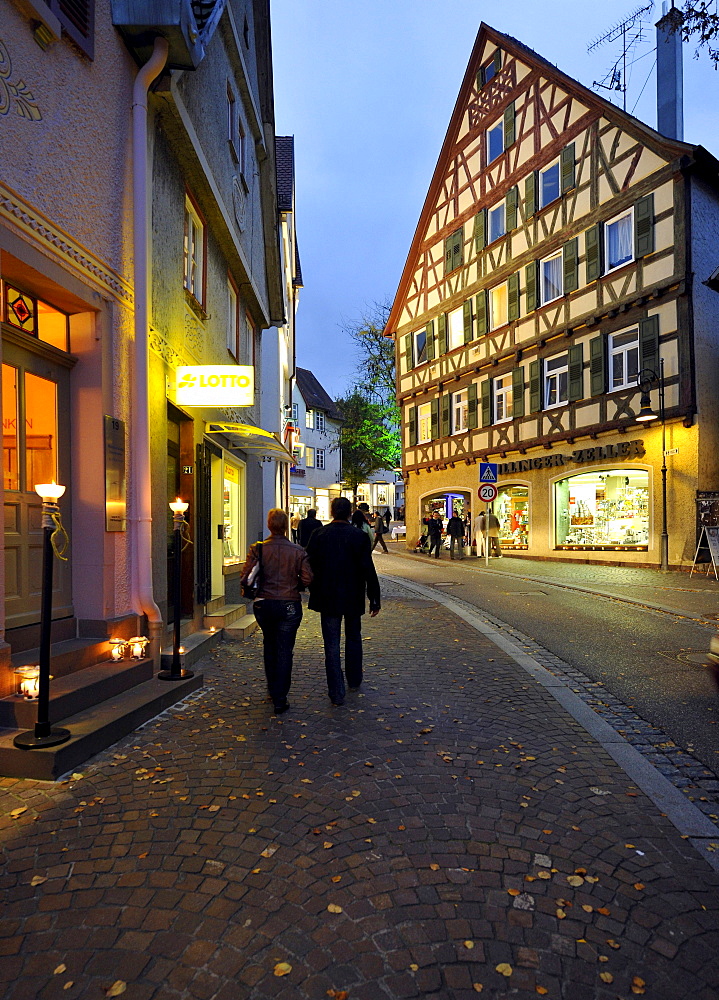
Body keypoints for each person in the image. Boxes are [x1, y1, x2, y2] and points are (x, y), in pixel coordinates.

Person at [306, 496, 381, 705]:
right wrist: (374, 598)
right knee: (353, 637)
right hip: (352, 595)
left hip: (327, 596)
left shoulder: (319, 535)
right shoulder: (358, 536)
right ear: (349, 513)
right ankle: (354, 679)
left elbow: (308, 566)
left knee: (331, 644)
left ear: (332, 512)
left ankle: (336, 691)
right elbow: (368, 568)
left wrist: (313, 589)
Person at [240, 508, 312, 715]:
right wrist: (294, 583)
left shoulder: (258, 549)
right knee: (285, 649)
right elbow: (307, 578)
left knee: (269, 644)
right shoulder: (298, 551)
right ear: (287, 526)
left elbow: (246, 575)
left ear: (269, 525)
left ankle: (273, 689)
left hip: (264, 603)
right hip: (289, 604)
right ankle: (281, 697)